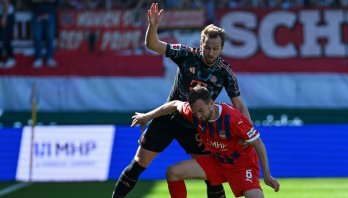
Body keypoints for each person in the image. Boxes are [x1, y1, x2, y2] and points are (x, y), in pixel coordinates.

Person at [112, 3, 252, 198]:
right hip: (168, 118)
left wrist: (248, 132)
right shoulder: (186, 54)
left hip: (198, 126)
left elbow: (239, 105)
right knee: (137, 164)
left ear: (222, 48)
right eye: (207, 47)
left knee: (212, 176)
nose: (210, 53)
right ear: (201, 43)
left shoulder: (224, 72)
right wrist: (153, 26)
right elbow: (153, 45)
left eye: (215, 48)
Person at [131, 86, 280, 198]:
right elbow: (175, 104)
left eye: (201, 110)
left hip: (240, 165)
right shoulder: (194, 113)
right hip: (217, 162)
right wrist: (148, 116)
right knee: (173, 172)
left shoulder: (233, 119)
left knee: (253, 196)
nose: (198, 115)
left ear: (211, 103)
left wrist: (267, 175)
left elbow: (258, 143)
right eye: (195, 112)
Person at [30, 0, 58, 68]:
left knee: (50, 36)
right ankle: (38, 58)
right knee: (37, 37)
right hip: (37, 13)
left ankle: (50, 58)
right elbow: (33, 1)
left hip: (50, 13)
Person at [0, 0, 16, 68]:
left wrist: (4, 17)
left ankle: (11, 58)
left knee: (6, 38)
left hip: (7, 15)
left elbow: (5, 2)